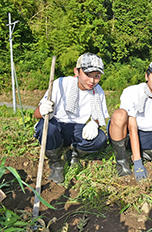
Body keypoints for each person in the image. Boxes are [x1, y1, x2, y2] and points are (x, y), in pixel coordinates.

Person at [34, 52, 109, 184]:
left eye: (97, 76)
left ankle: (75, 152)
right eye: (88, 75)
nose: (92, 81)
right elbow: (36, 114)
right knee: (45, 128)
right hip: (57, 125)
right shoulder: (61, 84)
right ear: (77, 71)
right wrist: (43, 110)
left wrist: (94, 124)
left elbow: (99, 116)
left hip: (77, 128)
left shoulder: (98, 91)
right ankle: (56, 163)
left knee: (101, 138)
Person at [108, 60, 152, 181]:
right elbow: (132, 128)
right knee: (119, 115)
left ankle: (144, 154)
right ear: (147, 76)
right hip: (127, 132)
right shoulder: (131, 91)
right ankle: (122, 160)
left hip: (147, 134)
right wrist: (138, 163)